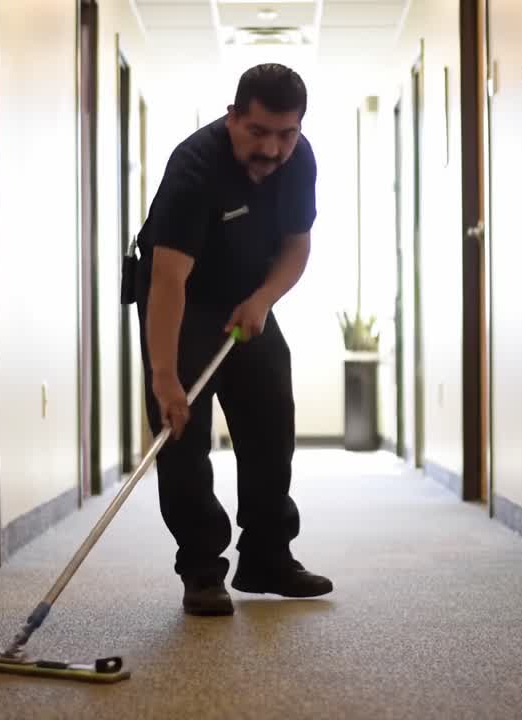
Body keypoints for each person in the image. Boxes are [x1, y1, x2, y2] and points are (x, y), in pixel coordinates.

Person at [130, 63, 333, 616]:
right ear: (232, 117)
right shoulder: (195, 166)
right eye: (258, 132)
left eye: (286, 134)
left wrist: (264, 298)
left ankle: (267, 555)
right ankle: (201, 568)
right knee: (182, 437)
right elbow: (168, 279)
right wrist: (165, 378)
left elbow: (297, 246)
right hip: (184, 301)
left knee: (271, 421)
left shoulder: (299, 160)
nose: (272, 148)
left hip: (249, 296)